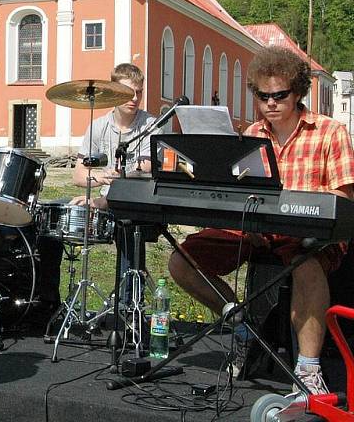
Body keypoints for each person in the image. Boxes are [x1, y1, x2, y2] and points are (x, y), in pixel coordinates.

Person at [168, 46, 354, 394]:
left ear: (298, 92)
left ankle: (309, 369)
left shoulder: (330, 132)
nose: (270, 103)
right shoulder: (252, 134)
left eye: (279, 95)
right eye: (263, 96)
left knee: (305, 264)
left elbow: (344, 199)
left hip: (310, 235)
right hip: (254, 228)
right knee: (182, 261)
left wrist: (301, 214)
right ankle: (241, 326)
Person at [71, 63, 157, 305]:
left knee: (127, 225)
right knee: (52, 220)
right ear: (113, 92)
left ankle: (127, 305)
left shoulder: (150, 125)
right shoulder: (98, 127)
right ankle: (50, 300)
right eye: (129, 92)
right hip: (104, 200)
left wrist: (101, 199)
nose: (135, 98)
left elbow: (146, 168)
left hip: (135, 203)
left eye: (139, 92)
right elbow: (78, 176)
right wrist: (97, 177)